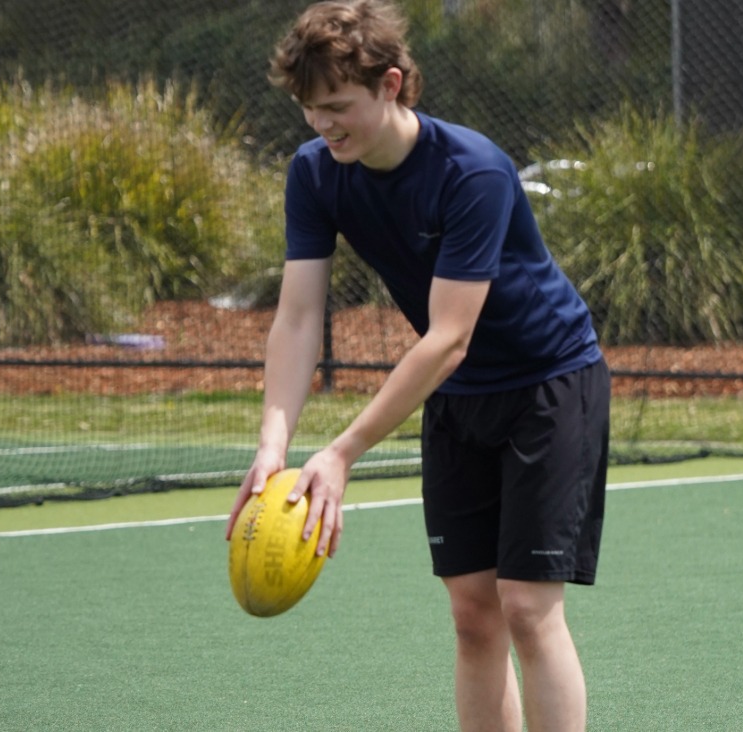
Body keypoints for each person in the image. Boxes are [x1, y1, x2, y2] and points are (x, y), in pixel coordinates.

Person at [224, 1, 610, 729]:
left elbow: (447, 338)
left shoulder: (473, 171)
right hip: (458, 399)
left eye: (338, 106)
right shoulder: (314, 174)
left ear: (392, 84)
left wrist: (342, 452)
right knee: (473, 613)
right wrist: (273, 442)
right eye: (310, 110)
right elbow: (300, 315)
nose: (322, 125)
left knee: (526, 607)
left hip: (549, 384)